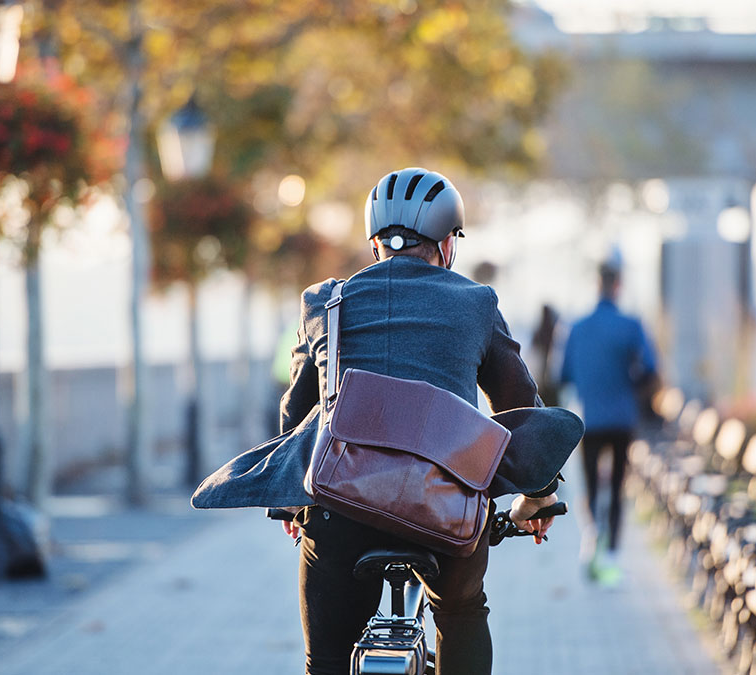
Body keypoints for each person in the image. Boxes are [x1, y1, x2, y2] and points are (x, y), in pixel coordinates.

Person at [191, 168, 583, 675]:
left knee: (327, 661)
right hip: (447, 506)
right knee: (461, 610)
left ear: (376, 245)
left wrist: (291, 503)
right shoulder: (476, 303)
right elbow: (518, 408)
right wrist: (539, 496)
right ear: (447, 245)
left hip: (339, 506)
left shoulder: (324, 302)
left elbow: (297, 416)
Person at [560, 259, 658, 587]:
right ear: (618, 285)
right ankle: (613, 554)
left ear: (596, 283)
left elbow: (565, 374)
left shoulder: (577, 327)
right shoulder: (631, 325)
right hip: (622, 418)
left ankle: (591, 541)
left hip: (589, 420)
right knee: (616, 486)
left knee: (589, 486)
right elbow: (650, 369)